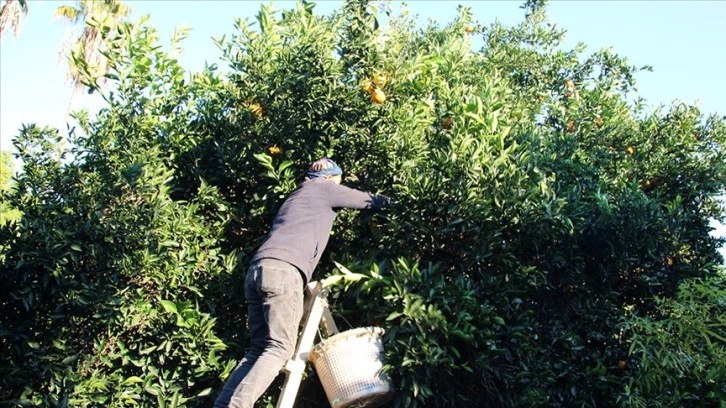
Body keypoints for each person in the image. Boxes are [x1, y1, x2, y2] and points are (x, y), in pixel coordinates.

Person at [214, 158, 390, 408]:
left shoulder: (298, 194)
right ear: (331, 178)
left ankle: (223, 405)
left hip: (258, 269)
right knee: (279, 348)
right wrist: (397, 203)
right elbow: (366, 201)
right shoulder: (324, 188)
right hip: (284, 272)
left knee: (258, 349)